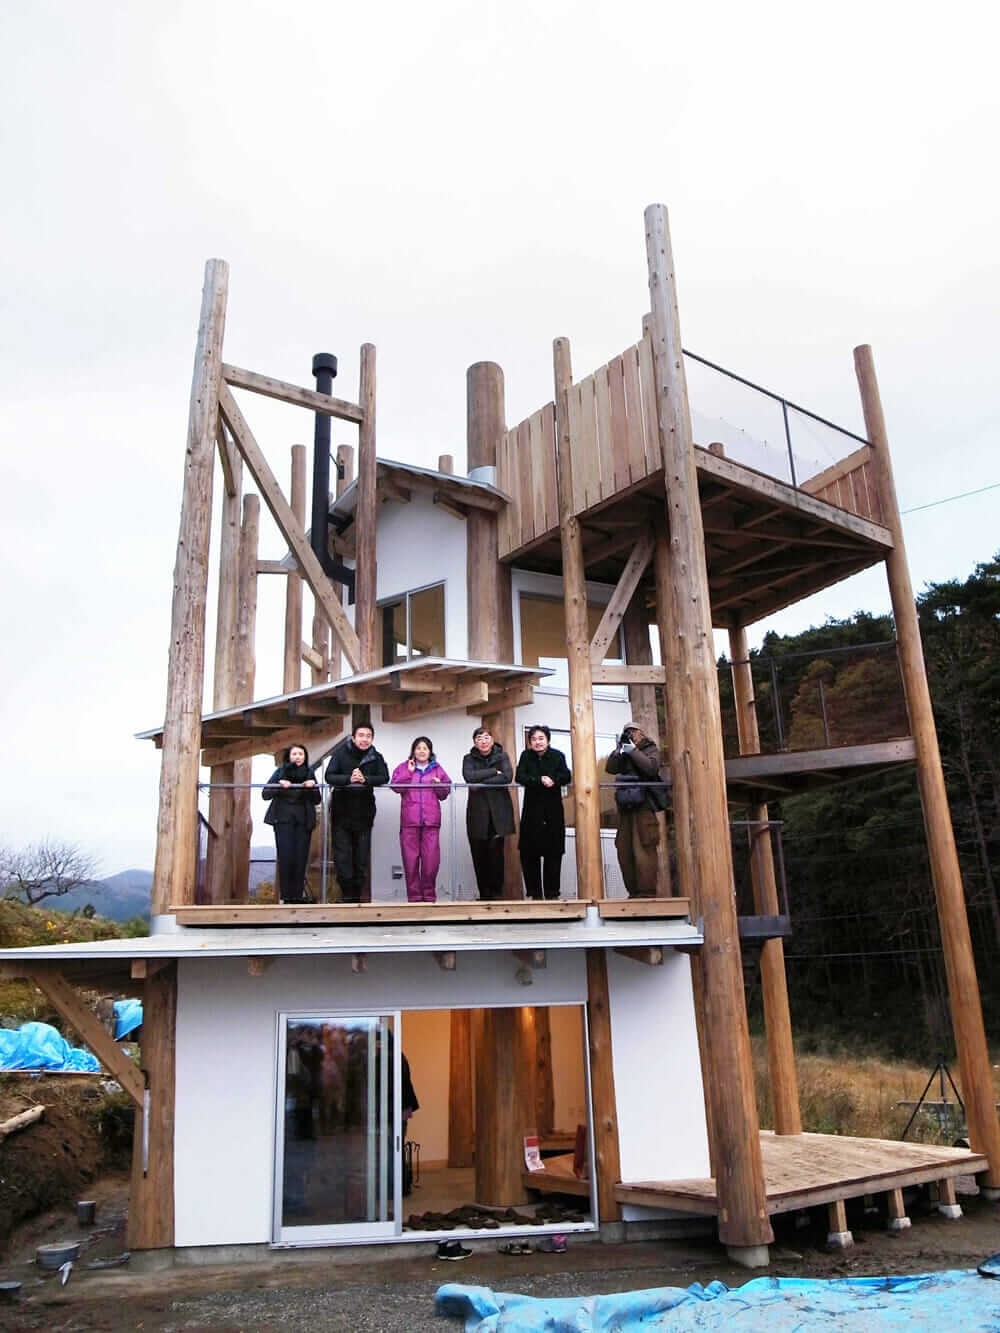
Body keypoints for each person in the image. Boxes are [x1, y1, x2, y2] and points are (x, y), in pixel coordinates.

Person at [325, 723, 389, 903]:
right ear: (353, 738)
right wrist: (349, 779)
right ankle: (347, 896)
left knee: (361, 858)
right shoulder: (340, 754)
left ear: (372, 739)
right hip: (341, 813)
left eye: (368, 736)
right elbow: (329, 776)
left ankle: (357, 896)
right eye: (361, 735)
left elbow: (384, 777)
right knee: (342, 856)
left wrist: (365, 779)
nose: (364, 739)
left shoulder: (375, 756)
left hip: (364, 814)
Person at [606, 721, 667, 899]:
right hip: (625, 808)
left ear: (641, 732)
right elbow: (610, 768)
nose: (630, 734)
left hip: (644, 807)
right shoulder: (623, 751)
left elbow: (651, 768)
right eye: (627, 732)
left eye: (633, 731)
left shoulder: (650, 748)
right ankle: (633, 892)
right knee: (624, 849)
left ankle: (647, 893)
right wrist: (619, 749)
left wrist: (633, 750)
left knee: (644, 848)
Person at [390, 736, 451, 903]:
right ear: (413, 751)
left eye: (425, 748)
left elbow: (445, 793)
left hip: (431, 822)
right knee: (410, 861)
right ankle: (414, 898)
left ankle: (429, 897)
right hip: (409, 822)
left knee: (431, 861)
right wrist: (409, 773)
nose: (422, 751)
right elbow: (395, 786)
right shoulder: (405, 767)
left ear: (430, 751)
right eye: (418, 748)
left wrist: (439, 785)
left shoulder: (437, 768)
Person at [515, 724, 571, 900]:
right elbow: (520, 776)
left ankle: (552, 894)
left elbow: (567, 776)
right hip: (531, 812)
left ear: (548, 740)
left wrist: (554, 780)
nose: (537, 742)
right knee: (528, 853)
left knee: (553, 853)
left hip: (553, 811)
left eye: (541, 738)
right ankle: (535, 894)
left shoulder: (557, 756)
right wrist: (538, 780)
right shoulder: (526, 756)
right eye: (533, 739)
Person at [262, 744, 321, 904]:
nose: (298, 757)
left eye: (301, 754)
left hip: (303, 821)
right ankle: (286, 896)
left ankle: (297, 896)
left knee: (301, 858)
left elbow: (317, 799)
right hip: (283, 820)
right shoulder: (280, 771)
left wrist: (311, 787)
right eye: (294, 754)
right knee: (286, 856)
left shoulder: (309, 772)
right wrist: (279, 786)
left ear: (305, 757)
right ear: (289, 756)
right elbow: (265, 794)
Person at [462, 725, 515, 901]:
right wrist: (493, 772)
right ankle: (484, 895)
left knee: (496, 855)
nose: (483, 741)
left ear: (492, 740)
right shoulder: (468, 758)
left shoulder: (502, 756)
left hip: (498, 813)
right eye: (479, 738)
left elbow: (506, 777)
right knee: (479, 854)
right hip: (478, 813)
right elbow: (469, 777)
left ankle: (496, 895)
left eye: (486, 737)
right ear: (474, 742)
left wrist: (481, 782)